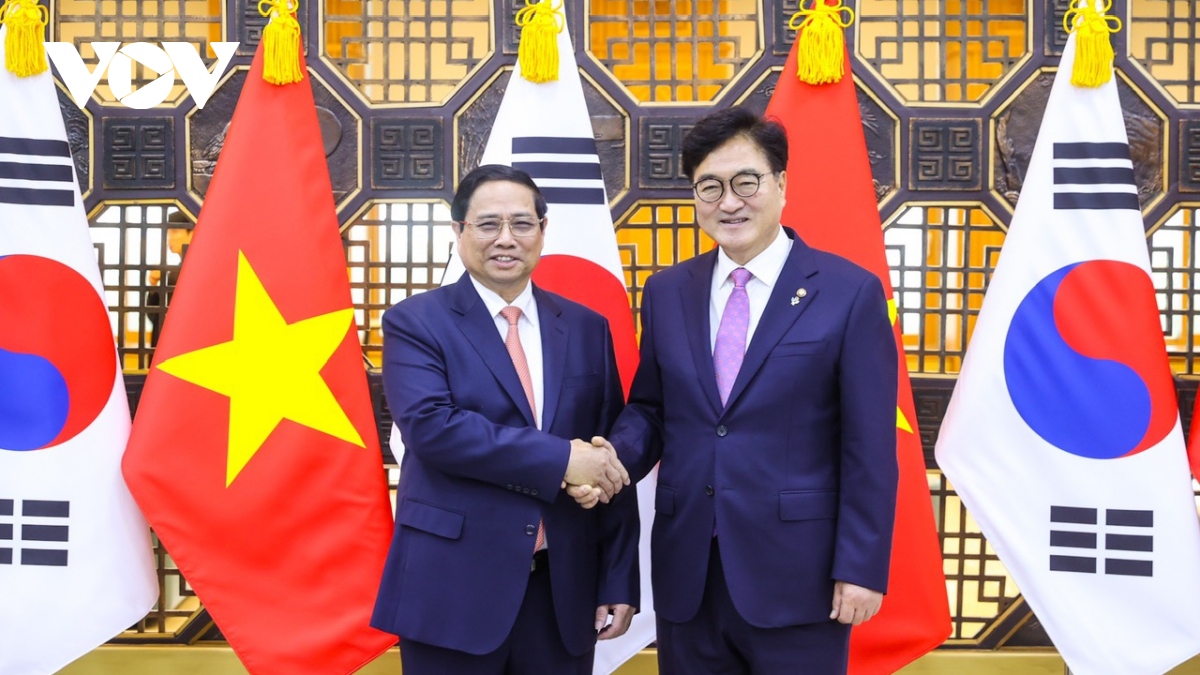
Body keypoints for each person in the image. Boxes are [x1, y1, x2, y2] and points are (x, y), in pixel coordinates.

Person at [598, 106, 899, 674]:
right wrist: (610, 461)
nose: (728, 202)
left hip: (800, 576)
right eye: (709, 186)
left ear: (781, 184)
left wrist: (861, 567)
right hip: (689, 570)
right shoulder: (667, 291)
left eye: (746, 182)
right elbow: (653, 409)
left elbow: (870, 447)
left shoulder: (848, 293)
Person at [371, 164, 640, 675]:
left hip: (562, 588)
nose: (506, 239)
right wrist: (564, 459)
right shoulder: (415, 321)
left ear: (542, 230)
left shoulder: (586, 327)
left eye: (521, 223)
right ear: (459, 231)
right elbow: (433, 429)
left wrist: (619, 577)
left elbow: (606, 457)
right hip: (452, 588)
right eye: (488, 224)